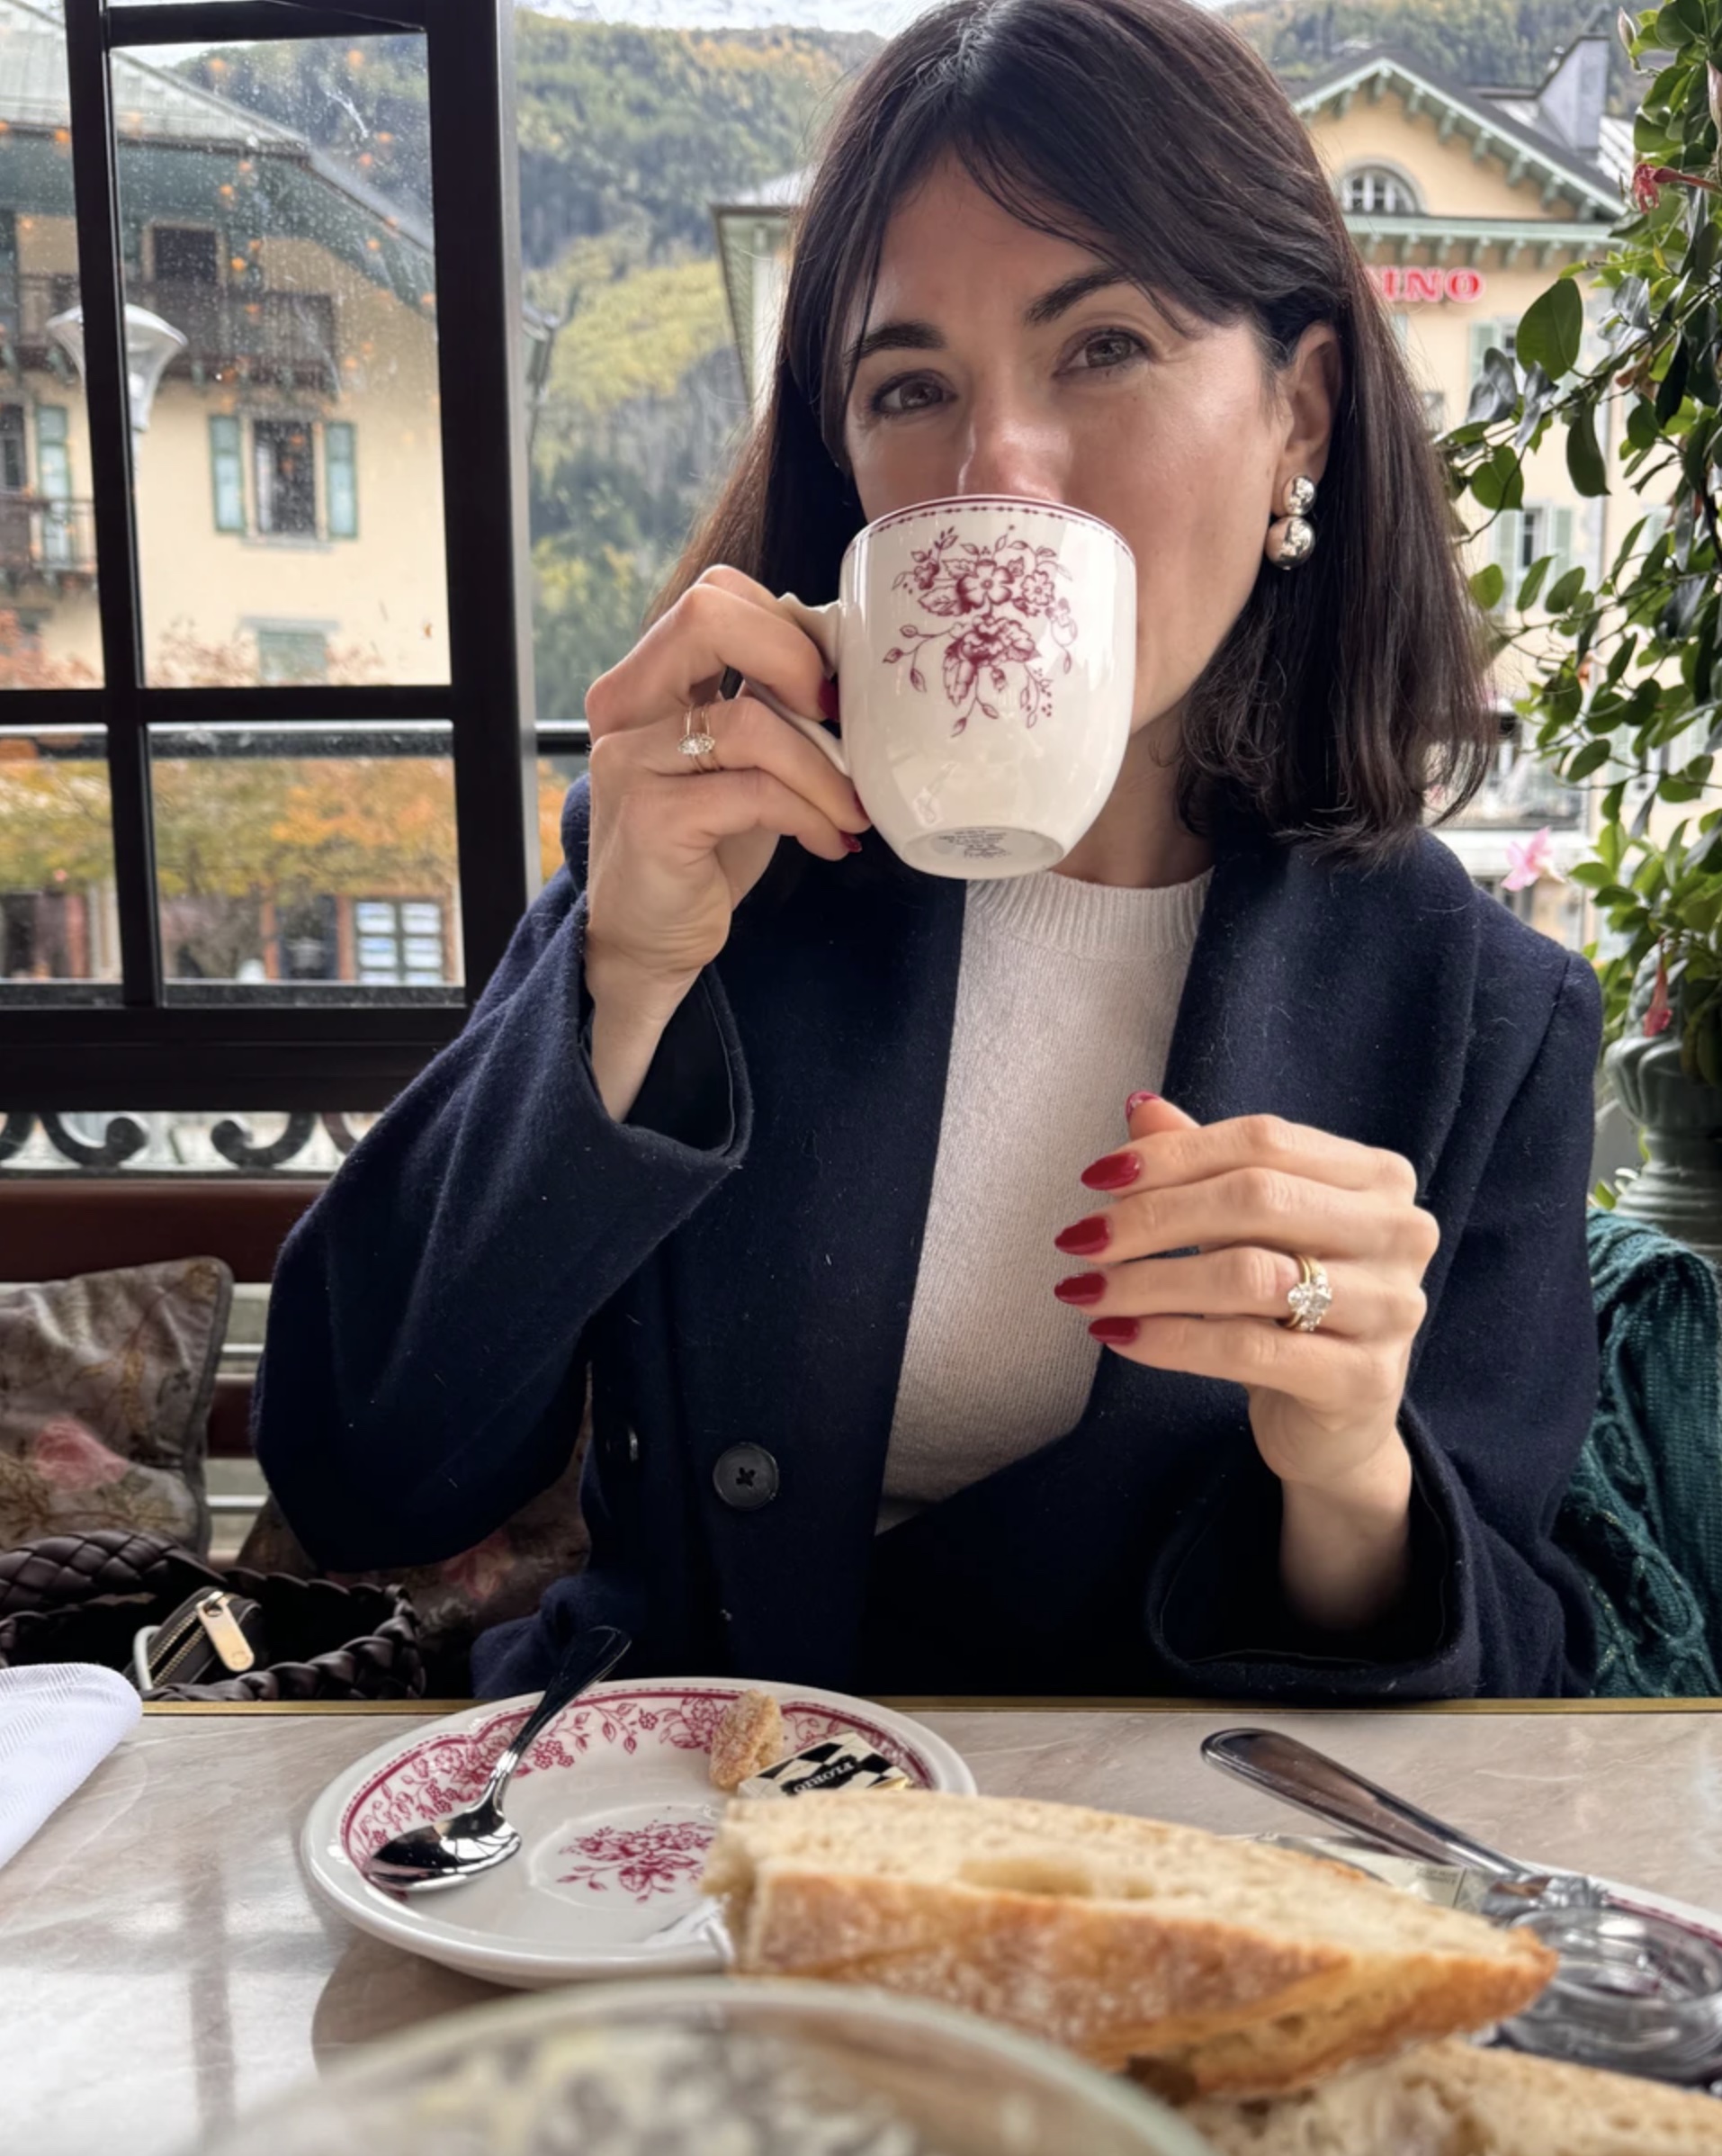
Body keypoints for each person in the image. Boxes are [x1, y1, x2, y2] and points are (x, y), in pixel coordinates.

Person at [256, 0, 1602, 1702]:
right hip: (662, 1859)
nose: (999, 475)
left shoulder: (1473, 1014)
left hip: (1121, 1896)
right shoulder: (705, 873)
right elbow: (363, 1470)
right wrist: (623, 976)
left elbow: (1519, 1683)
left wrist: (1346, 1468)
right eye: (911, 388)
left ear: (1303, 414)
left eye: (1101, 346)